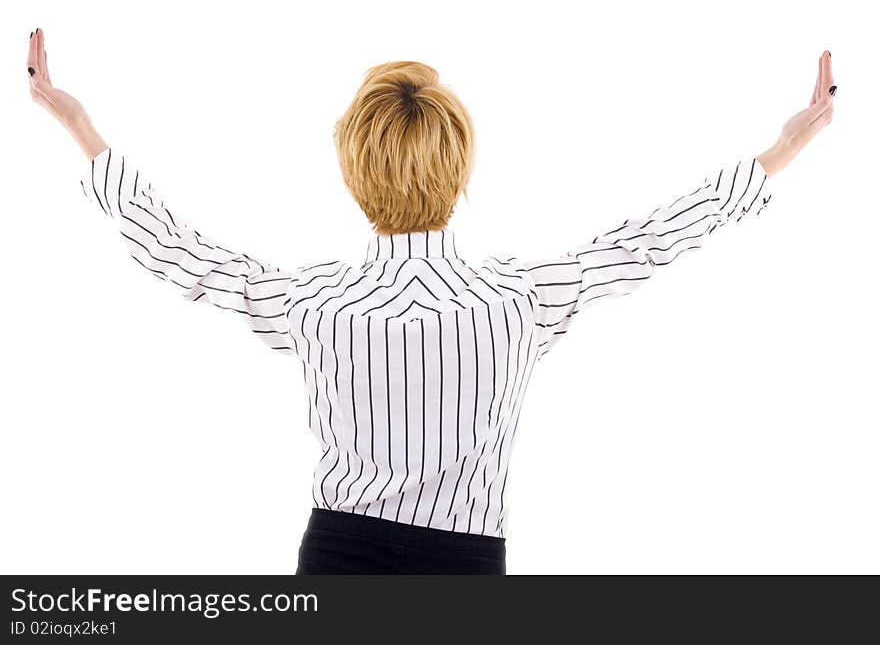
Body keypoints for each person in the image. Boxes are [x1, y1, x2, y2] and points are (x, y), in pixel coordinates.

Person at [26, 28, 836, 574]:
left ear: (353, 173)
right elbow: (647, 241)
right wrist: (784, 149)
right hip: (467, 566)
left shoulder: (317, 305)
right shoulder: (518, 302)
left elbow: (186, 257)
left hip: (334, 557)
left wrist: (83, 131)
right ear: (461, 168)